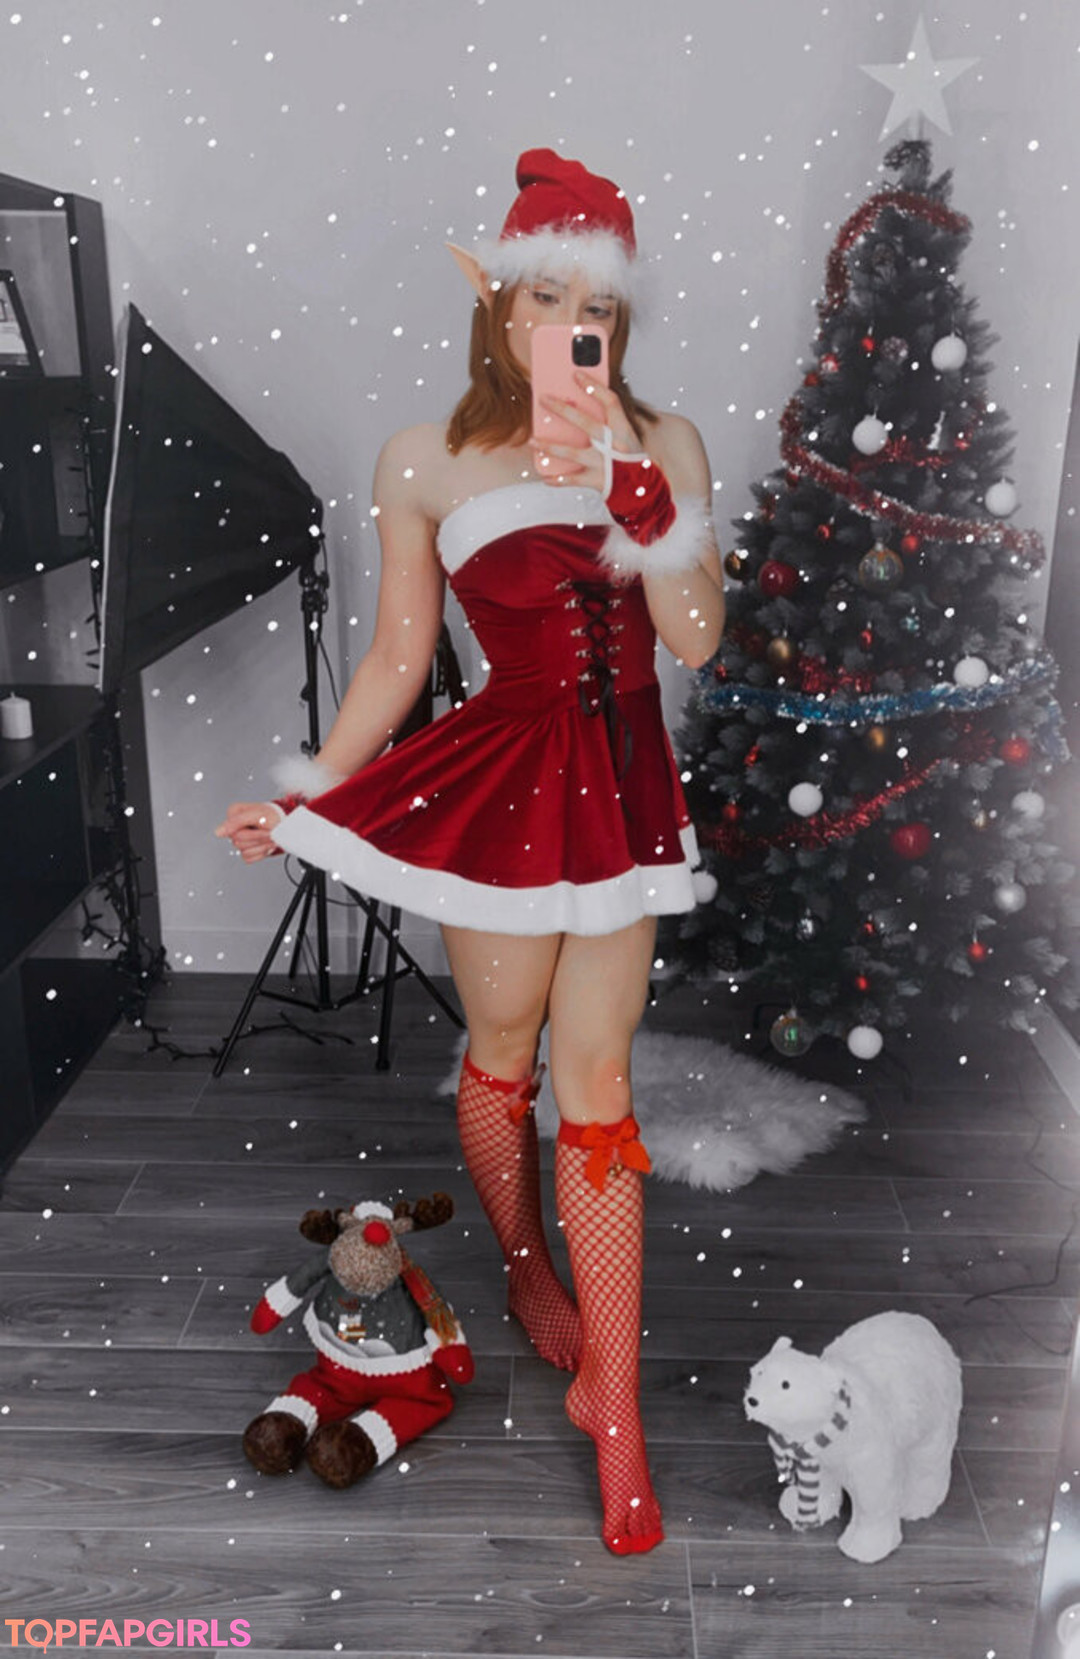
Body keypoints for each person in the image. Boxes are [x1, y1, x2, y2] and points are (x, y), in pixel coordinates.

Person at [216, 147, 725, 1555]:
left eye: (597, 306)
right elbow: (397, 659)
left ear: (618, 322)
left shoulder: (668, 441)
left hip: (624, 796)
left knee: (599, 1090)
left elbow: (696, 641)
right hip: (503, 790)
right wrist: (307, 794)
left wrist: (638, 493)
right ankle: (520, 1263)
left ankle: (615, 1406)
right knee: (503, 1056)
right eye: (546, 296)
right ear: (497, 302)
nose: (573, 325)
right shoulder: (422, 459)